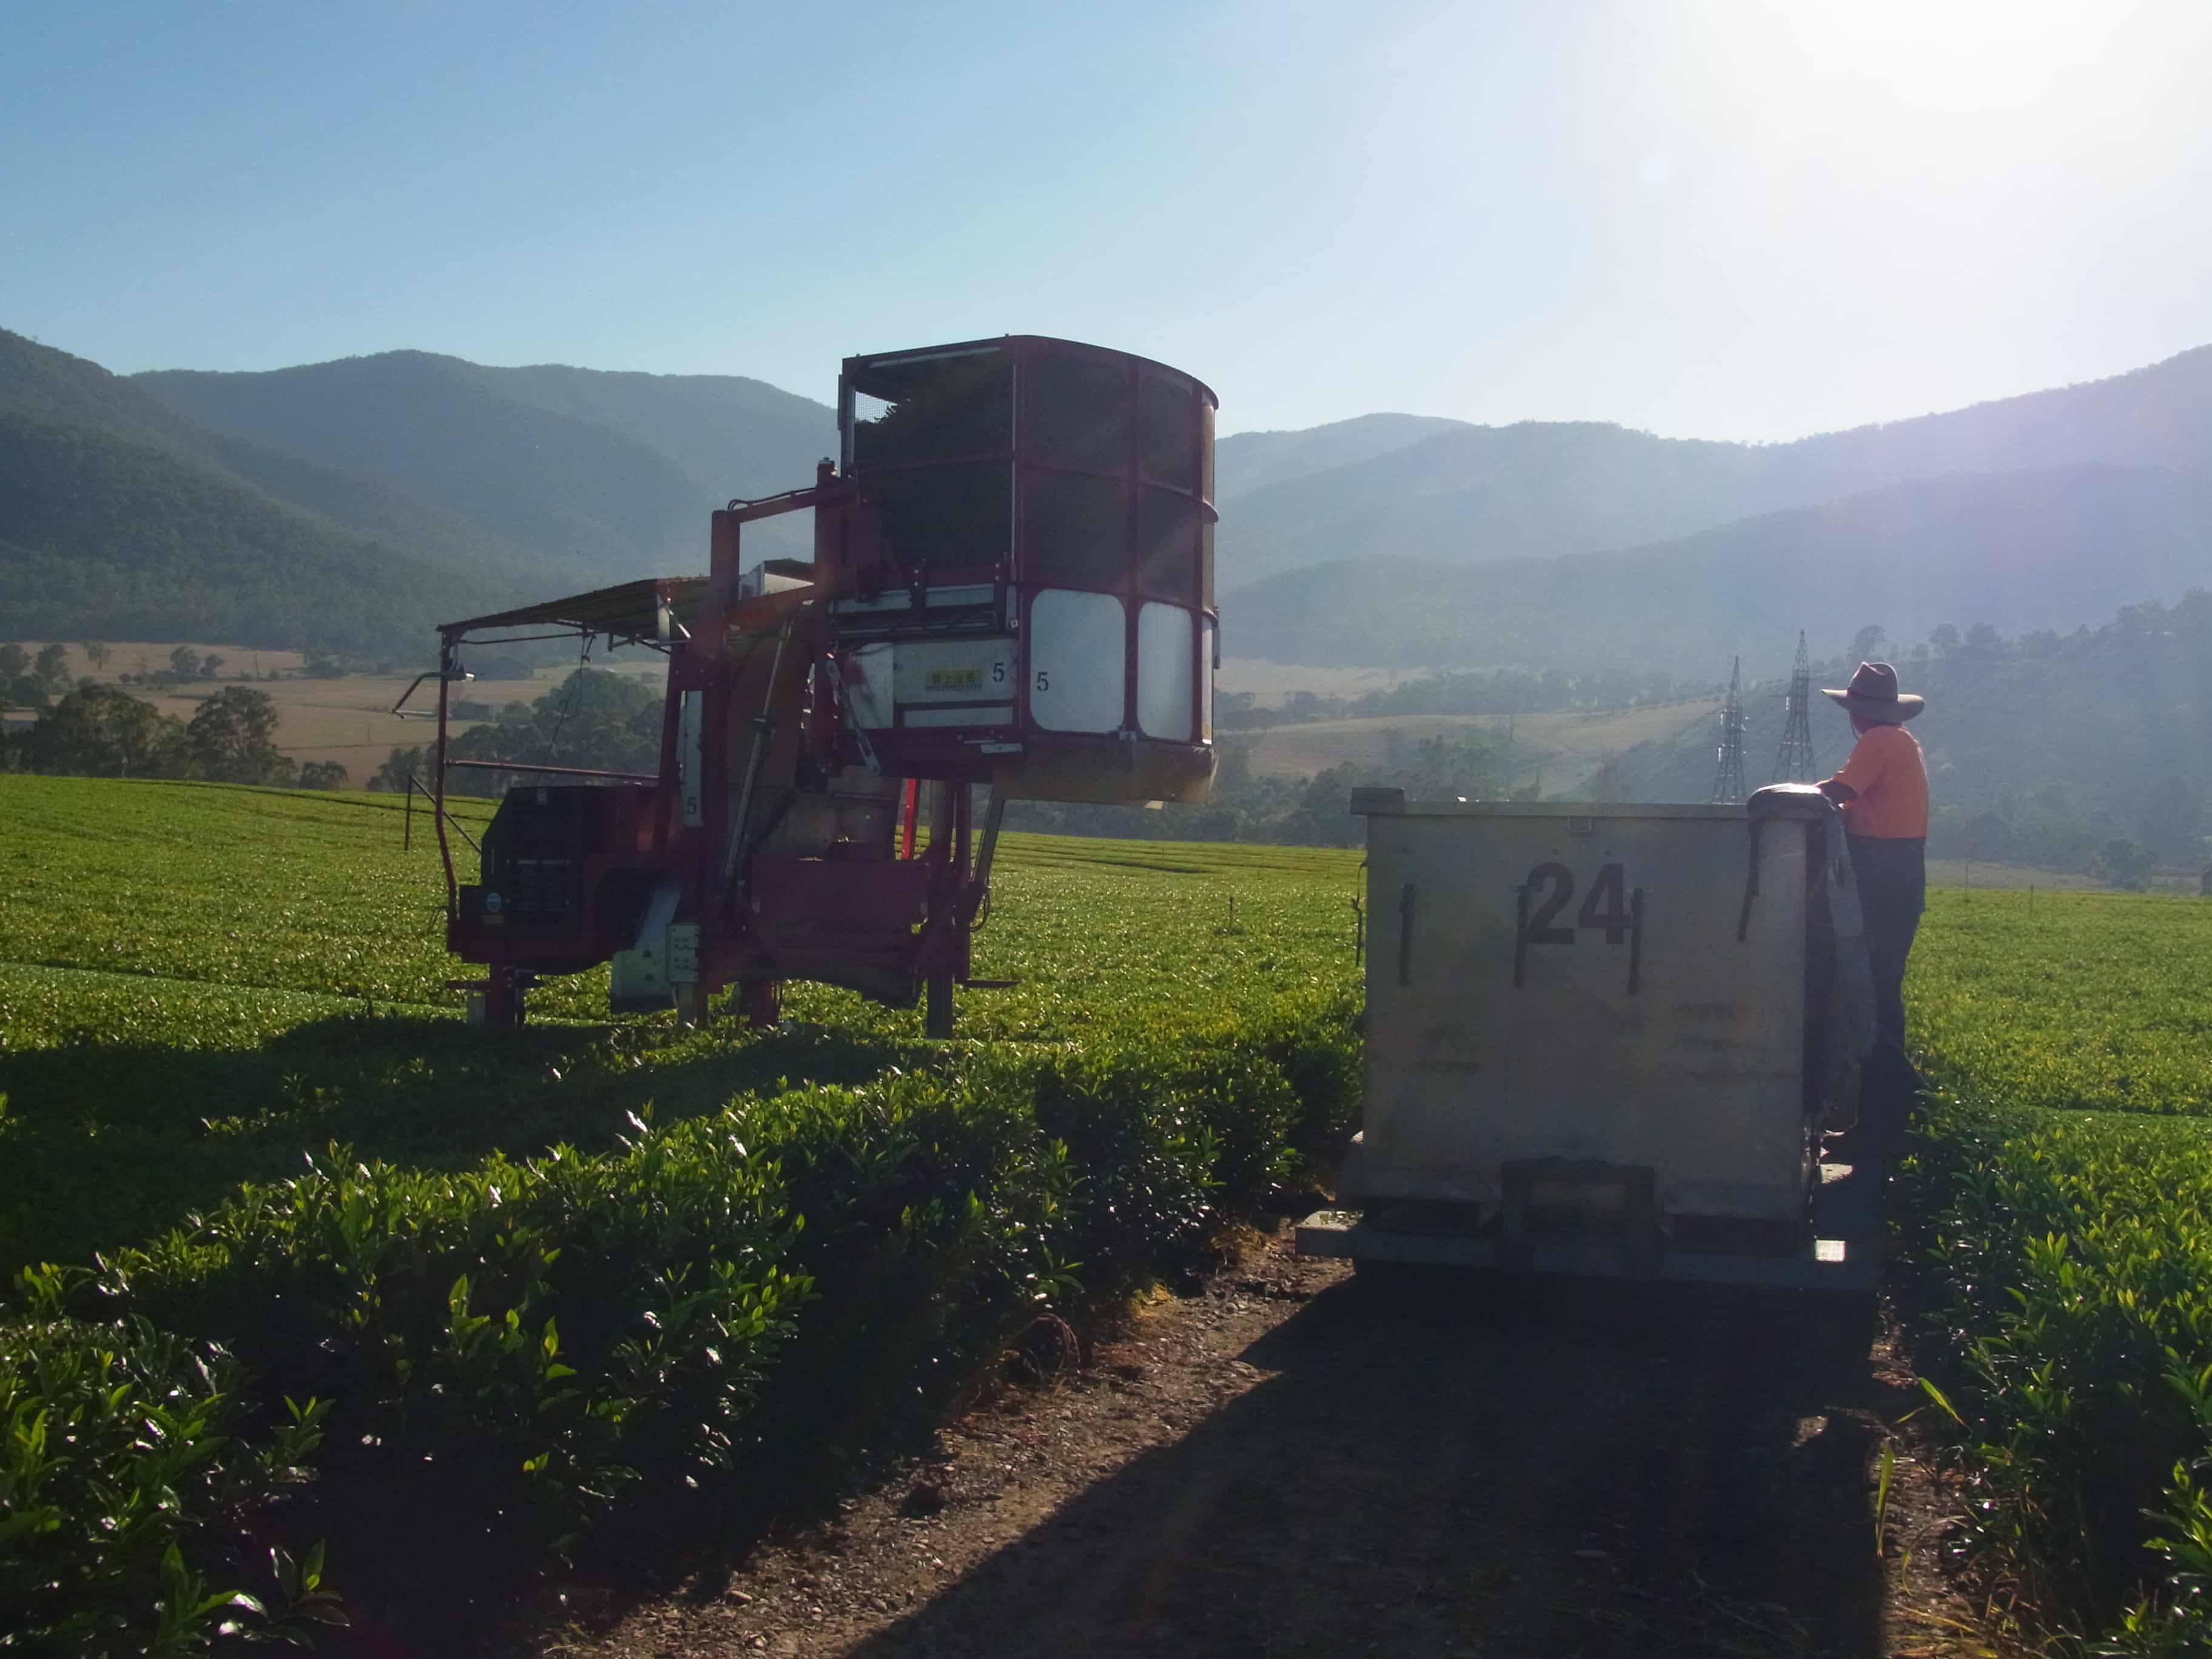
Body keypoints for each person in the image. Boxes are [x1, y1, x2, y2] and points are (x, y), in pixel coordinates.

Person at [1815, 662, 1928, 1150]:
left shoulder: (1879, 742)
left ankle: (1895, 1109)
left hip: (1883, 882)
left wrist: (1786, 799)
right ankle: (1886, 1115)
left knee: (1873, 996)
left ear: (1858, 713)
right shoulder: (1901, 742)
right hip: (1899, 880)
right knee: (1880, 994)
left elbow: (1838, 793)